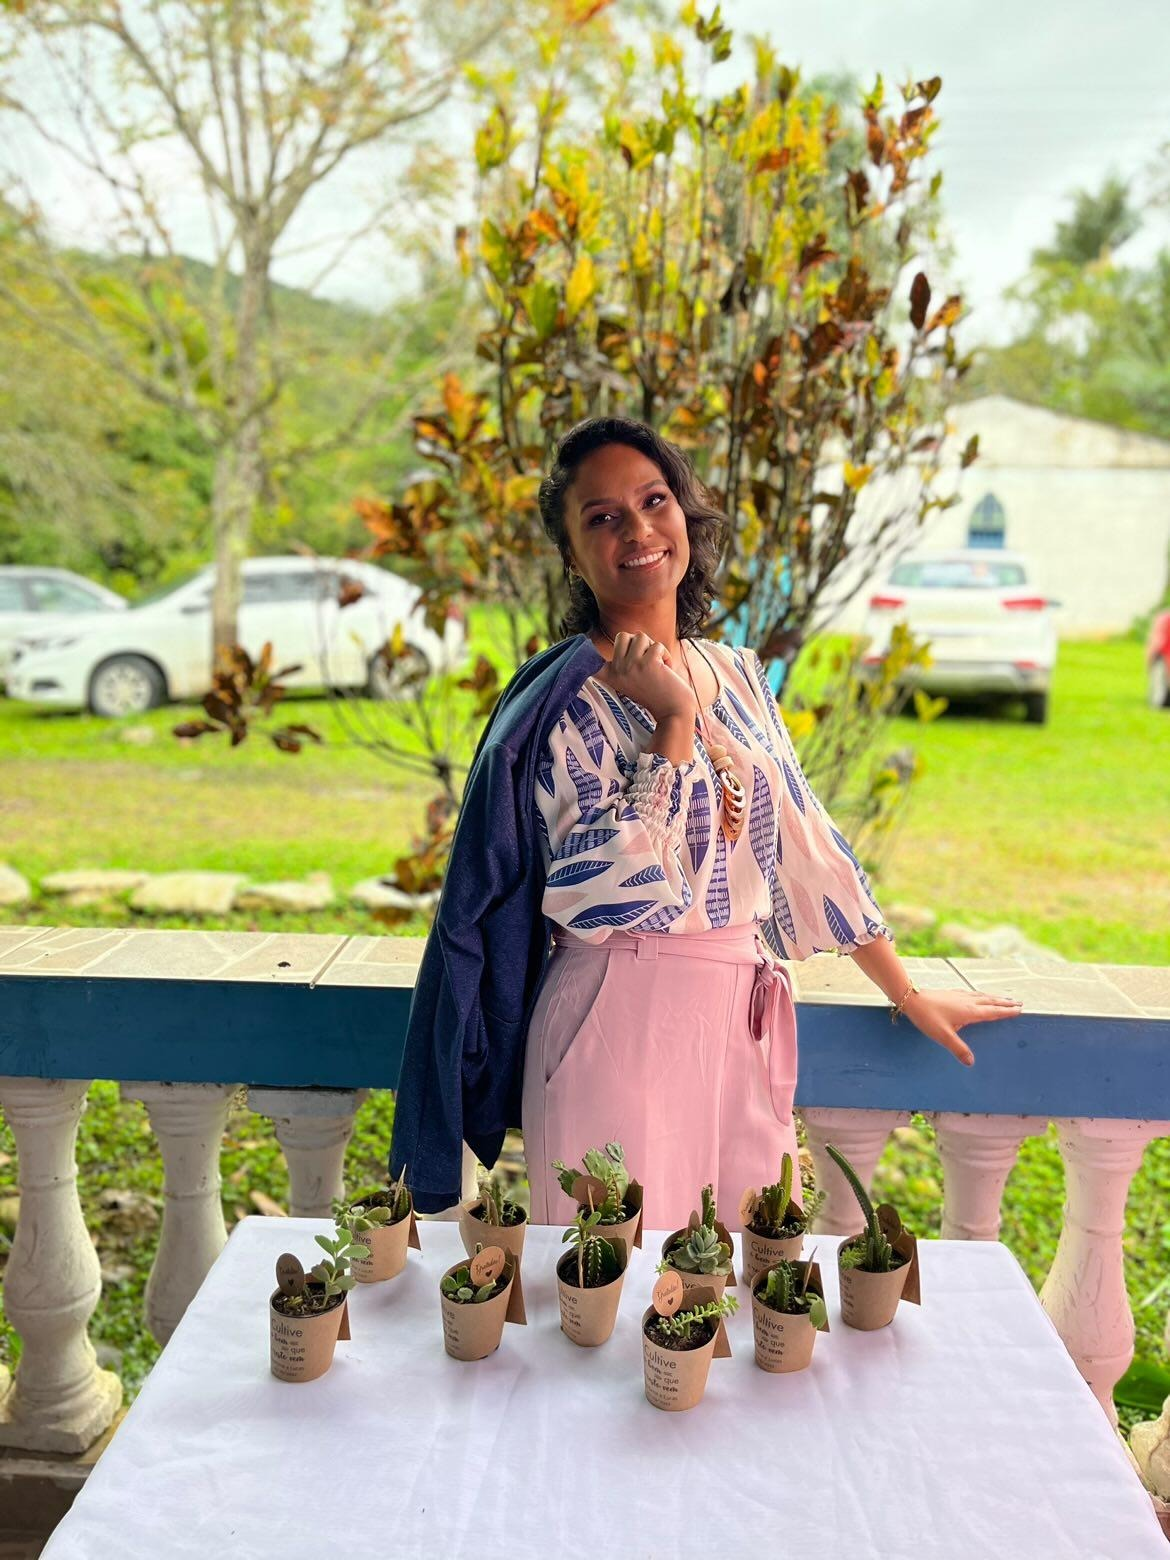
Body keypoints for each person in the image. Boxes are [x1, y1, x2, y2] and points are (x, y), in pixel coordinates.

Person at [390, 416, 1022, 1226]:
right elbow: (603, 896)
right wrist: (673, 725)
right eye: (603, 517)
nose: (638, 530)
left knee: (744, 1271)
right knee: (615, 1276)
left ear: (685, 513)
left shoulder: (738, 673)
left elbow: (804, 839)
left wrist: (904, 989)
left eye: (654, 501)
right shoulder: (567, 704)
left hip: (740, 1019)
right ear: (573, 555)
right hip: (615, 1015)